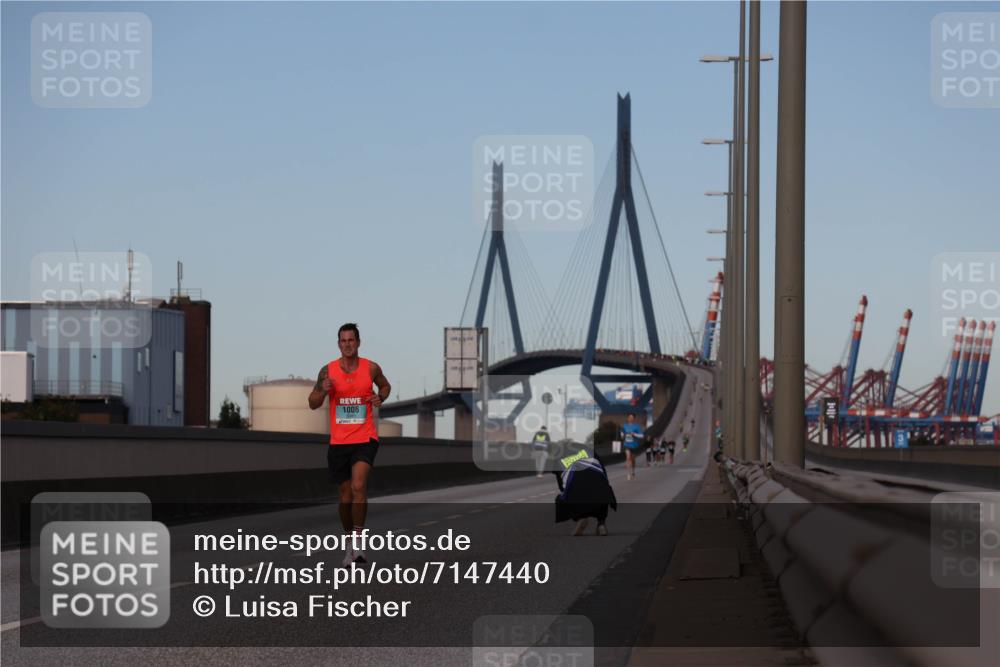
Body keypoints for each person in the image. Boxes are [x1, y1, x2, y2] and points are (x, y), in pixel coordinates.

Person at [308, 323, 391, 567]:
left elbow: (385, 386)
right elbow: (312, 403)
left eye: (351, 340)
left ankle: (359, 544)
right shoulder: (327, 371)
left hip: (365, 438)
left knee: (358, 485)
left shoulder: (371, 367)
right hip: (339, 442)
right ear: (338, 344)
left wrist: (380, 396)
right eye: (343, 341)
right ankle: (349, 547)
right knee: (345, 498)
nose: (347, 344)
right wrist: (322, 392)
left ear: (358, 342)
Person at [552, 448, 617, 536]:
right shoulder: (590, 451)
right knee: (602, 489)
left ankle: (580, 518)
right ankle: (601, 523)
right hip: (600, 488)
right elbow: (603, 474)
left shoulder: (558, 458)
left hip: (576, 490)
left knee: (563, 498)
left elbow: (561, 486)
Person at [620, 413, 644, 481]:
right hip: (626, 444)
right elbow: (622, 433)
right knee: (628, 458)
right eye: (629, 417)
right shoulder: (624, 426)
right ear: (628, 418)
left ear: (634, 419)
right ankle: (628, 473)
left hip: (634, 445)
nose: (631, 419)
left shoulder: (637, 426)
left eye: (632, 417)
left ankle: (633, 471)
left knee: (633, 460)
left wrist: (634, 434)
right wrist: (622, 435)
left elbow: (642, 436)